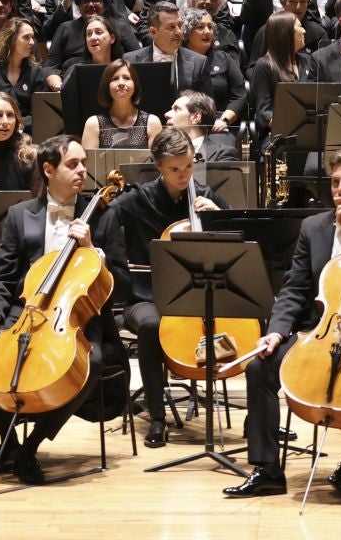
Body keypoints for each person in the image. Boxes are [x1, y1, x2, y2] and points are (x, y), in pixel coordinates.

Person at [222, 145, 341, 499]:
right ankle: (267, 470)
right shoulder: (314, 227)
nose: (340, 189)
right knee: (260, 367)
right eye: (335, 182)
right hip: (320, 329)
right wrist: (275, 333)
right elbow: (294, 287)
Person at [0, 134, 123, 484]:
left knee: (90, 363)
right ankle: (7, 444)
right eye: (72, 164)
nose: (82, 171)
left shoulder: (104, 215)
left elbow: (121, 281)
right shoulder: (20, 214)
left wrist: (92, 250)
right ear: (48, 170)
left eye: (84, 164)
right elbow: (3, 276)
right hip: (26, 313)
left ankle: (30, 447)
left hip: (77, 316)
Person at [112, 127, 220, 447]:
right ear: (159, 166)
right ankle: (157, 418)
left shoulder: (203, 196)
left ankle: (257, 418)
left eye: (189, 166)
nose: (184, 175)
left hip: (192, 295)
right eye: (175, 169)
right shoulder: (137, 199)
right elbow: (102, 223)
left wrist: (219, 217)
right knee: (151, 325)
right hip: (144, 296)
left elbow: (234, 240)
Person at [245, 12, 313, 145]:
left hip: (309, 131)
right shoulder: (264, 65)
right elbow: (264, 112)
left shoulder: (308, 60)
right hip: (278, 135)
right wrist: (294, 131)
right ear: (285, 33)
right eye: (299, 26)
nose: (304, 30)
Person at [0, 19, 58, 121]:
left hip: (25, 129)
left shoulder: (36, 72)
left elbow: (41, 113)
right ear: (11, 39)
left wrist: (16, 124)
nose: (32, 42)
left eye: (32, 37)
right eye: (26, 37)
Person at [182, 7, 247, 128]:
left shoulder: (224, 59)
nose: (207, 31)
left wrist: (224, 120)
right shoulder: (177, 59)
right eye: (200, 27)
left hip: (219, 123)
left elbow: (239, 96)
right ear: (187, 32)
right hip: (183, 124)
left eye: (210, 27)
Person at [79, 60, 160, 150]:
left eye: (126, 78)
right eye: (115, 79)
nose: (121, 83)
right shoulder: (93, 124)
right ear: (107, 87)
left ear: (135, 85)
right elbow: (89, 160)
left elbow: (159, 159)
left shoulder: (152, 123)